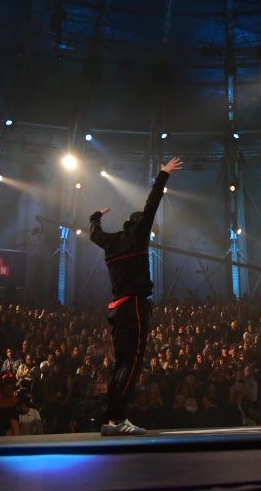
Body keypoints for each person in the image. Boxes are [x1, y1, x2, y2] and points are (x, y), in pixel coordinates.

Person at [90, 156, 183, 436]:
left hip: (117, 307)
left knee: (121, 363)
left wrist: (95, 216)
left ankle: (111, 419)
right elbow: (151, 204)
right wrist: (163, 175)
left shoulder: (110, 242)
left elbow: (94, 233)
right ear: (139, 225)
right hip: (134, 306)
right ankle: (118, 419)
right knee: (132, 362)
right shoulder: (137, 236)